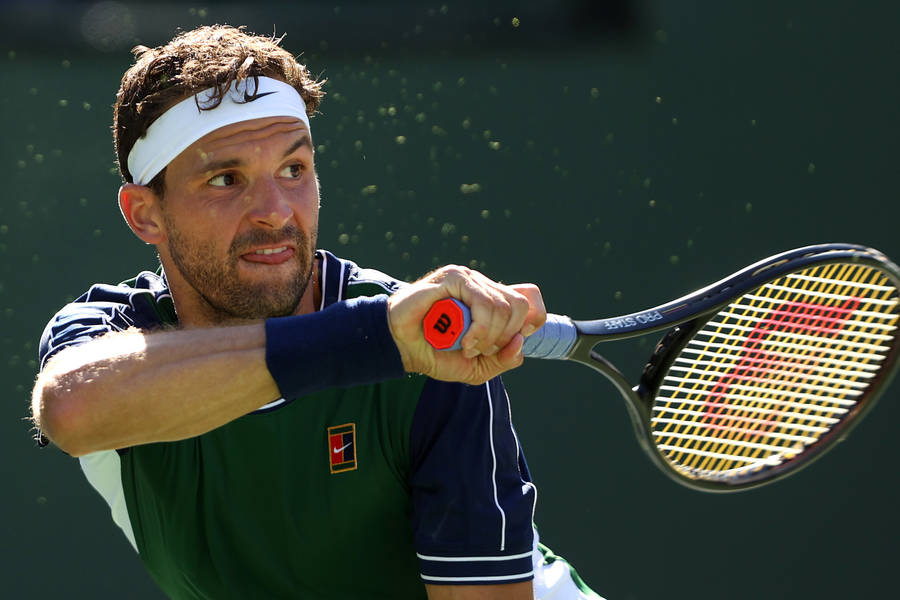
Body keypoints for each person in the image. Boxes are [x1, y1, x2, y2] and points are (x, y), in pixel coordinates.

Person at [31, 25, 601, 600]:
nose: (275, 212)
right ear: (144, 213)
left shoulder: (432, 356)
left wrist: (383, 342)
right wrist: (373, 340)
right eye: (226, 179)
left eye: (293, 170)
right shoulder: (111, 332)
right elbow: (71, 410)